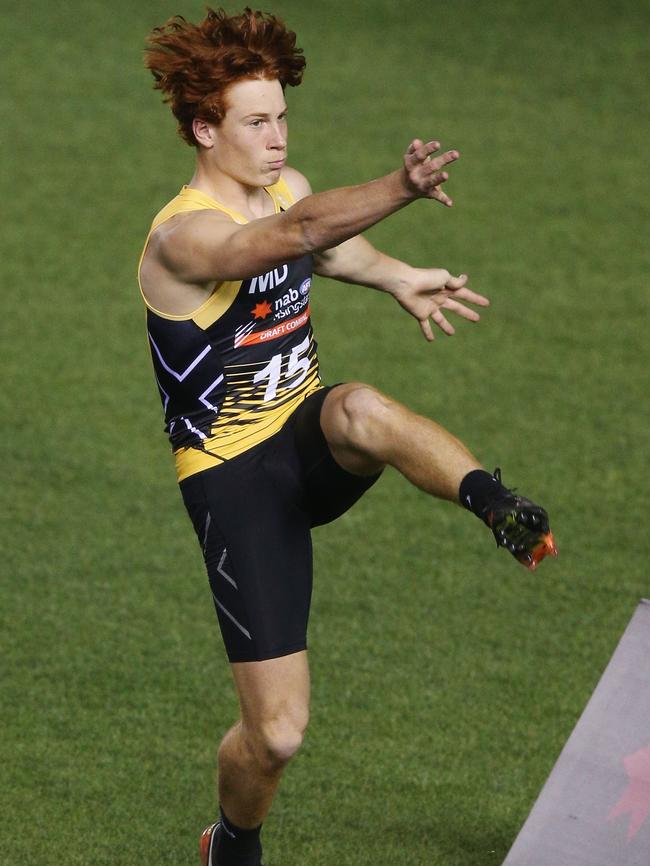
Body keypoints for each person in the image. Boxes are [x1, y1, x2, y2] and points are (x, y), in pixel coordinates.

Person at [140, 8, 557, 865]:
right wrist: (400, 188)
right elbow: (289, 239)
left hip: (305, 439)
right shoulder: (183, 236)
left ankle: (496, 503)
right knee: (278, 737)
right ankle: (233, 844)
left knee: (358, 405)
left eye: (282, 117)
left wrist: (401, 277)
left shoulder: (286, 190)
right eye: (256, 122)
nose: (277, 138)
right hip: (235, 481)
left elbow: (325, 253)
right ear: (204, 127)